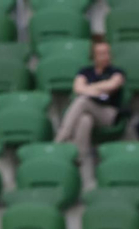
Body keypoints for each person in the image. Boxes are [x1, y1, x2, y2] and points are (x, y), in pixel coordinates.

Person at [56, 38, 126, 170]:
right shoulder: (85, 71)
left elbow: (113, 84)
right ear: (94, 56)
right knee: (85, 120)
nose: (105, 56)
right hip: (90, 111)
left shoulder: (116, 71)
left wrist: (90, 87)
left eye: (107, 53)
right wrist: (98, 91)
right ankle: (79, 158)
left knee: (82, 100)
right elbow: (77, 88)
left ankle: (61, 139)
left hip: (108, 114)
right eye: (101, 53)